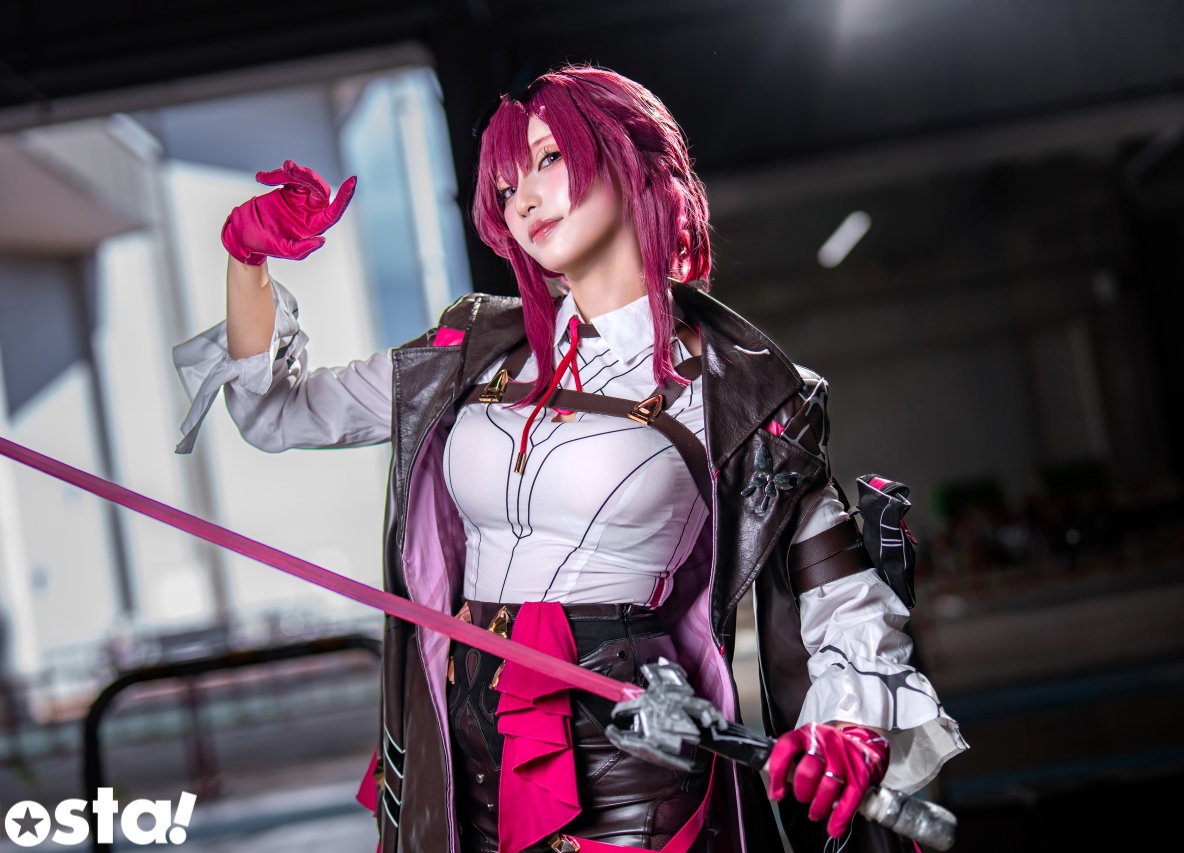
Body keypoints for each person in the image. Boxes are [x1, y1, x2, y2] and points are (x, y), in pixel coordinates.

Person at [173, 65, 966, 853]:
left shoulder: (740, 388)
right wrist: (247, 260)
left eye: (549, 159)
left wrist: (848, 728)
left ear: (628, 155)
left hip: (628, 765)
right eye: (505, 184)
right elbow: (277, 413)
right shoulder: (469, 353)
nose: (523, 198)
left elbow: (843, 595)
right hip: (464, 757)